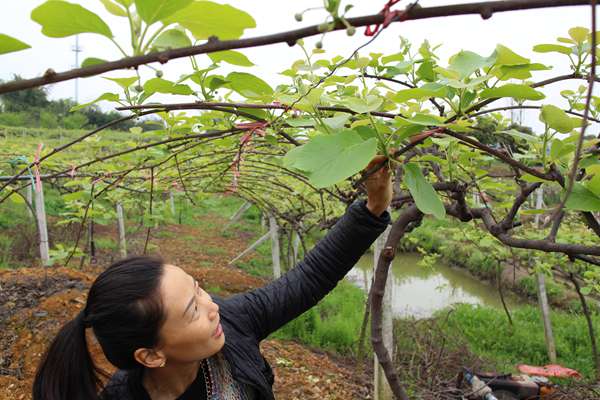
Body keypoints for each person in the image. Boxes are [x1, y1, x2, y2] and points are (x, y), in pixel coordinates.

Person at [32, 155, 393, 400]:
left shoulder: (233, 321)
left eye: (199, 289)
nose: (211, 307)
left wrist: (372, 208)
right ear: (152, 355)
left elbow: (309, 278)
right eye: (192, 310)